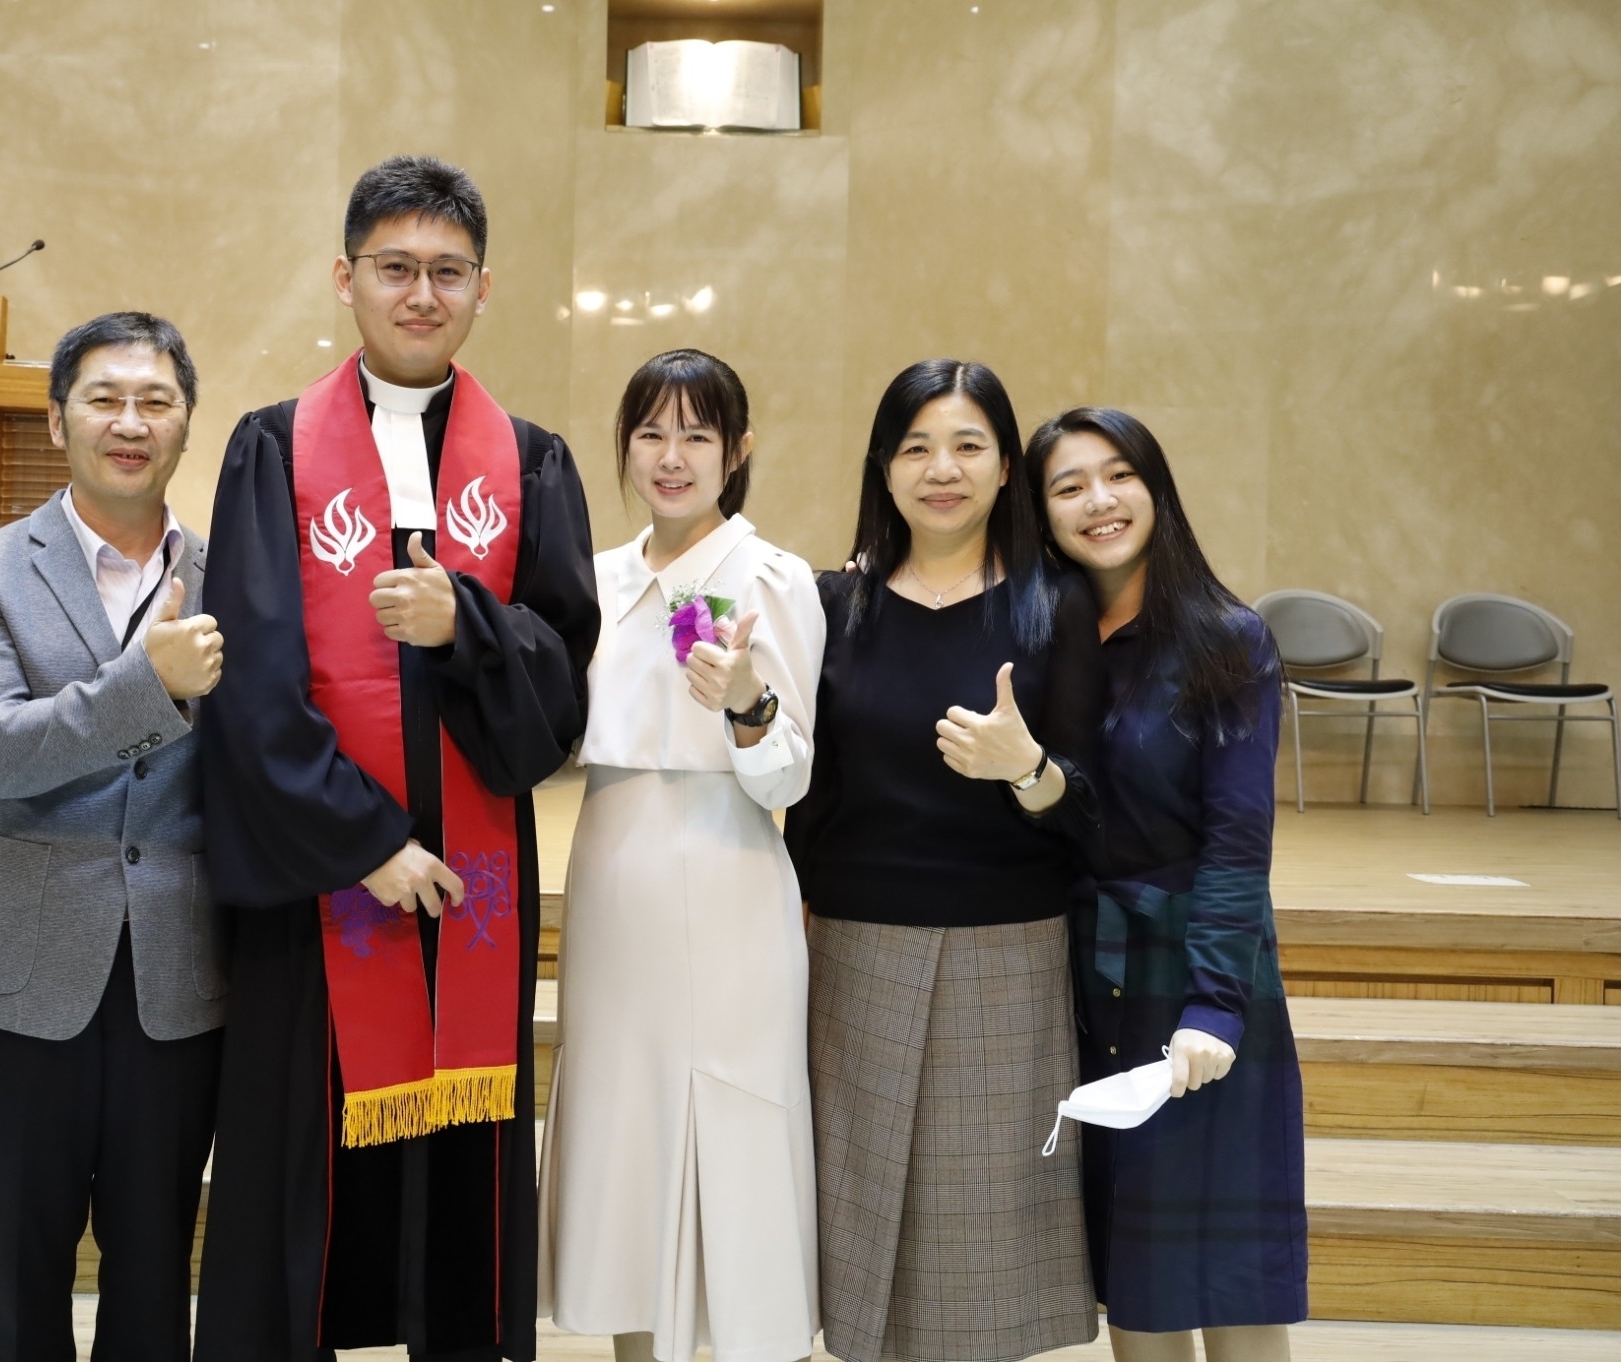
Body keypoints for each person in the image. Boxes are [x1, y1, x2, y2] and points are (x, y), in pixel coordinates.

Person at [193, 155, 601, 1362]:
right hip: (320, 872)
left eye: (447, 272)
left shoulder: (530, 460)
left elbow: (563, 680)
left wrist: (463, 625)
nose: (421, 294)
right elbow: (250, 679)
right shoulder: (273, 449)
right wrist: (365, 843)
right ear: (345, 279)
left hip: (471, 879)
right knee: (300, 1165)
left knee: (462, 1181)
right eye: (395, 268)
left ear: (483, 289)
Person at [0, 311, 228, 1360]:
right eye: (104, 399)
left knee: (154, 1273)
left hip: (177, 973)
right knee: (21, 1271)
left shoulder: (235, 576)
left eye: (155, 401)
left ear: (185, 423)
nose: (130, 423)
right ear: (57, 421)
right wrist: (149, 686)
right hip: (20, 970)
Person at [784, 358, 1102, 1362]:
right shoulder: (833, 604)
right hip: (852, 950)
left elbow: (1090, 799)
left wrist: (1026, 770)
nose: (942, 469)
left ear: (1006, 467)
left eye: (968, 445)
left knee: (983, 1235)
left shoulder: (1057, 604)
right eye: (915, 447)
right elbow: (808, 795)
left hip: (1007, 948)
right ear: (883, 467)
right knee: (856, 1209)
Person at [538, 350, 825, 1362]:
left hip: (727, 872)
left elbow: (788, 779)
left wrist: (746, 705)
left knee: (729, 1117)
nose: (671, 457)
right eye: (651, 433)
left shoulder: (771, 578)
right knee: (625, 1121)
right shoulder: (594, 581)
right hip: (612, 875)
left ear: (736, 452)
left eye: (696, 435)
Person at [1025, 407, 1306, 1362]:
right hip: (1088, 970)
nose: (1098, 501)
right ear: (1041, 512)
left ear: (1155, 489)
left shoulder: (1227, 638)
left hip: (1197, 971)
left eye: (1118, 476)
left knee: (1228, 1278)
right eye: (1068, 487)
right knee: (1139, 1283)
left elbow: (1238, 841)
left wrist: (1215, 1005)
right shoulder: (1044, 638)